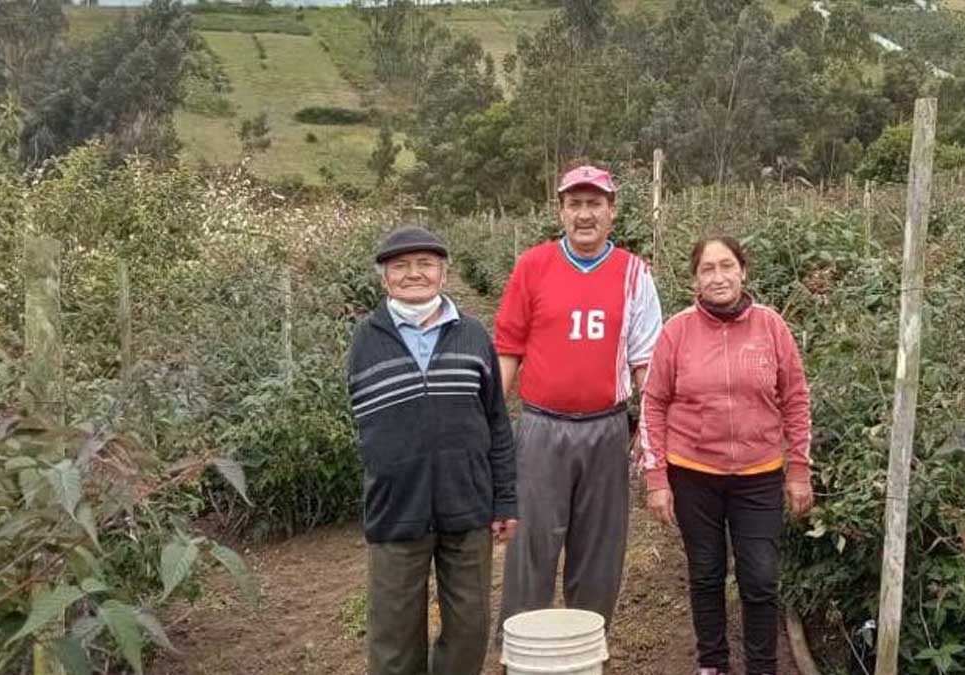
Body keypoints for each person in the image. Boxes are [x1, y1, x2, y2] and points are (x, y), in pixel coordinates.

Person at [494, 164, 663, 634]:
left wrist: (647, 432)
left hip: (607, 429)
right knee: (531, 549)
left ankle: (585, 652)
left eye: (594, 204)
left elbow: (646, 362)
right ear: (561, 212)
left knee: (599, 554)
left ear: (612, 212)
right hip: (541, 428)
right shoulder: (533, 265)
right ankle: (522, 656)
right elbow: (508, 350)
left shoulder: (634, 273)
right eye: (575, 204)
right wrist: (486, 428)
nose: (584, 214)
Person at [347, 226, 517, 675]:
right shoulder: (366, 340)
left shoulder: (474, 336)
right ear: (385, 279)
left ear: (444, 273)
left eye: (425, 264)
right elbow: (369, 429)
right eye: (400, 267)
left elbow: (497, 422)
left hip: (469, 506)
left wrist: (504, 499)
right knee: (393, 642)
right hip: (397, 512)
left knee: (469, 629)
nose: (413, 274)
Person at [640, 235, 813, 675]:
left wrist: (798, 469)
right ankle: (712, 664)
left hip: (758, 474)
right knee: (706, 571)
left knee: (759, 578)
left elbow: (795, 398)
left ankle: (761, 666)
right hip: (694, 473)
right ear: (695, 279)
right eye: (707, 269)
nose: (718, 277)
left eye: (726, 266)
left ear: (742, 270)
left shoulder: (771, 326)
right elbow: (653, 402)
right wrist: (657, 478)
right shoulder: (677, 331)